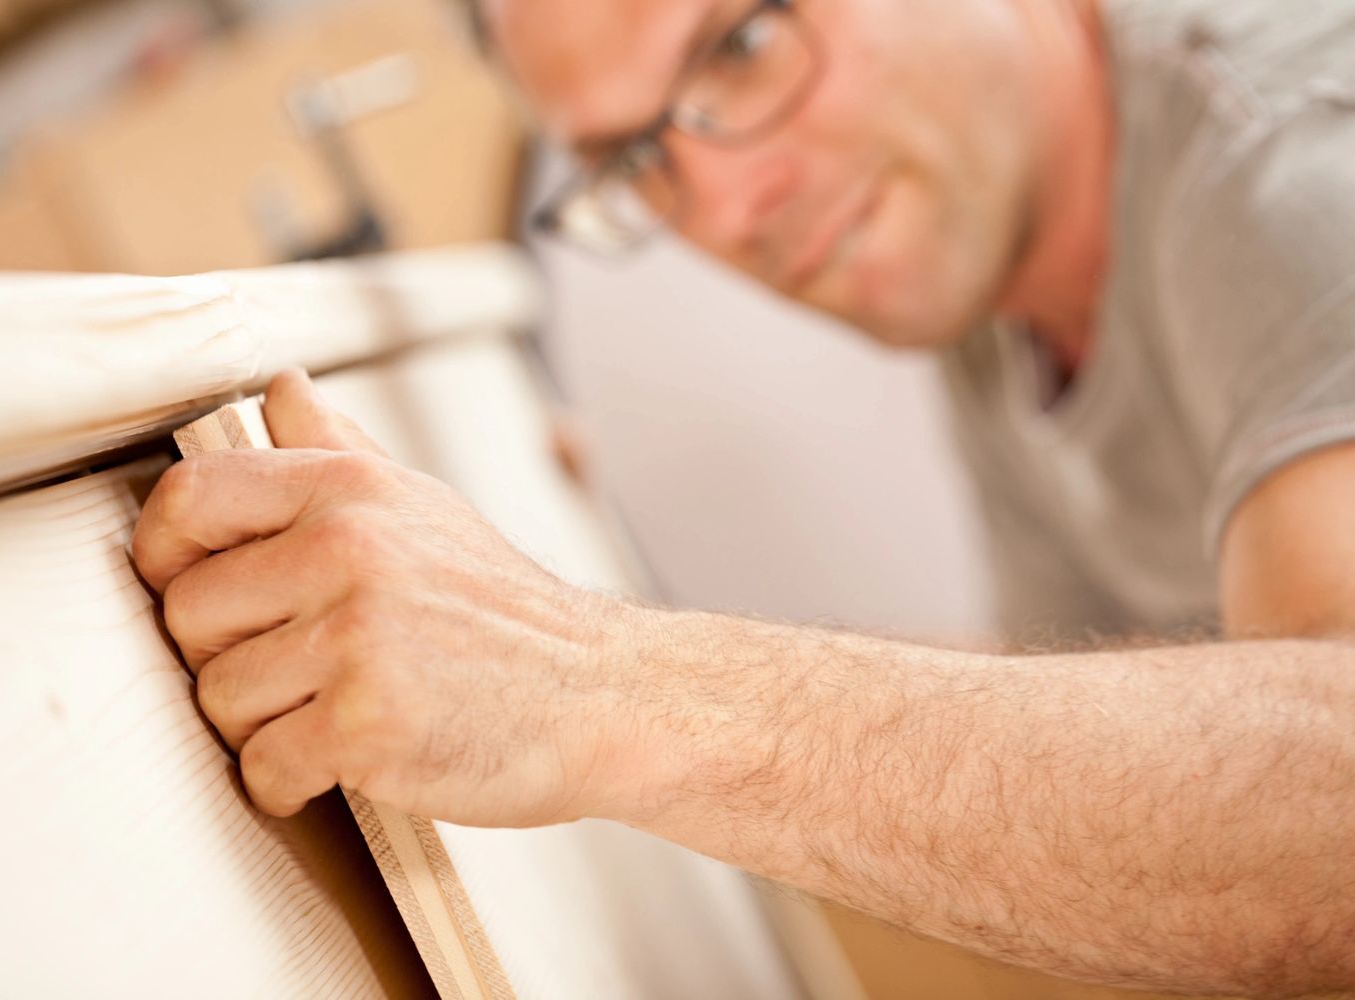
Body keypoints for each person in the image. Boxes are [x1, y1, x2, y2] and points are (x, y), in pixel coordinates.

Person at [130, 0, 1355, 994]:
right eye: (635, 158)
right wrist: (549, 607)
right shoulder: (999, 276)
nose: (721, 209)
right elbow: (1129, 785)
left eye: (745, 42)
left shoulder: (1289, 170)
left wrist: (599, 682)